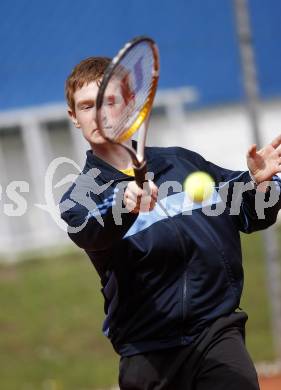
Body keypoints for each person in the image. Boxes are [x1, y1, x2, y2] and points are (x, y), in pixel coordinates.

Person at [60, 56, 281, 390]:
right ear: (74, 117)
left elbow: (249, 213)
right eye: (88, 105)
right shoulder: (81, 195)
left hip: (215, 332)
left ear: (130, 105)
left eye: (109, 101)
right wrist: (125, 201)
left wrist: (261, 183)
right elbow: (89, 230)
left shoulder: (182, 163)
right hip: (147, 352)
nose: (100, 113)